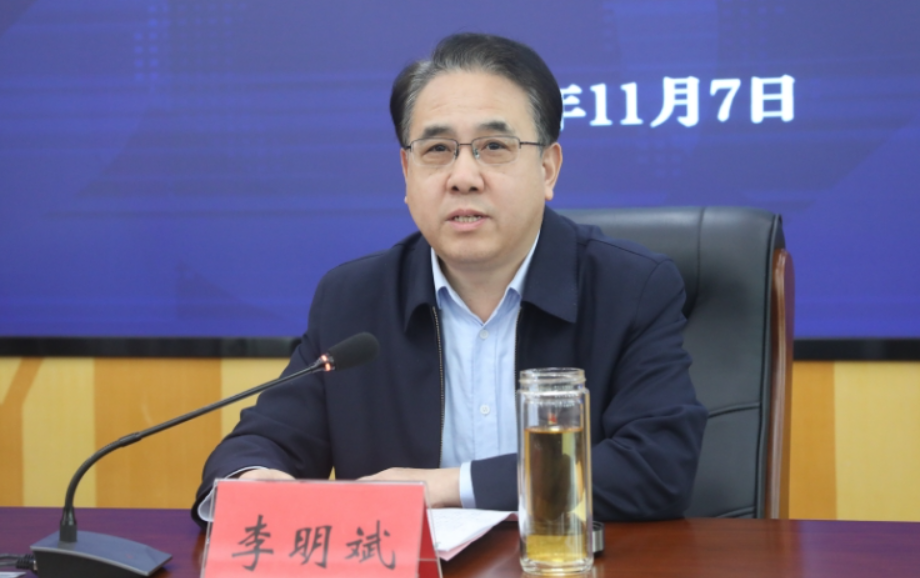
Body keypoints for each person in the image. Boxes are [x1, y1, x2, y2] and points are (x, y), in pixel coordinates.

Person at [193, 33, 706, 524]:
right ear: (406, 172)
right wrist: (254, 480)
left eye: (494, 146)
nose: (463, 177)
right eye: (437, 150)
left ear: (548, 169)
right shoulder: (353, 300)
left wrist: (448, 486)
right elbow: (261, 443)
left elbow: (656, 466)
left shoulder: (630, 289)